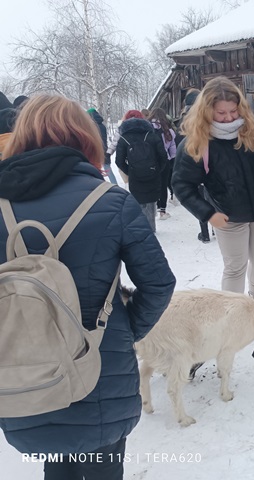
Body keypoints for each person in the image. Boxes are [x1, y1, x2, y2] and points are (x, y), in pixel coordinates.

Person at [0, 94, 176, 480]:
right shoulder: (111, 202)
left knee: (55, 463)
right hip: (99, 370)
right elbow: (159, 283)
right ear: (85, 138)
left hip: (22, 374)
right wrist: (128, 329)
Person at [172, 76, 254, 314]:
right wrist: (208, 214)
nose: (229, 118)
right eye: (221, 113)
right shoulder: (197, 142)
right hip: (226, 217)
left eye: (233, 111)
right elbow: (181, 184)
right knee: (235, 267)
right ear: (207, 111)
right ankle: (233, 310)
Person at [115, 109, 167, 233]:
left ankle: (143, 229)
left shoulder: (124, 138)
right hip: (153, 174)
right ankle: (151, 228)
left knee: (138, 202)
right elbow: (163, 156)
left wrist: (130, 171)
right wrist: (157, 170)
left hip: (135, 177)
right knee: (151, 201)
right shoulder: (152, 135)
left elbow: (119, 161)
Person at [175, 88, 216, 242]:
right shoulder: (207, 116)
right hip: (209, 161)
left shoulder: (183, 119)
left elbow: (179, 143)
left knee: (199, 199)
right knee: (211, 195)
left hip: (191, 163)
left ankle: (205, 232)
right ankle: (213, 228)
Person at [149, 107, 177, 220]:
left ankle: (153, 206)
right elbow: (173, 149)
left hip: (151, 161)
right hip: (165, 161)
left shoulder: (148, 129)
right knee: (163, 185)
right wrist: (172, 159)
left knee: (153, 185)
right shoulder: (168, 131)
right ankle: (162, 211)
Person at [87, 107, 117, 184]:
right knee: (108, 169)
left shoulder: (92, 126)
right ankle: (115, 184)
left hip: (95, 150)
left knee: (95, 170)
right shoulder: (102, 125)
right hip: (104, 149)